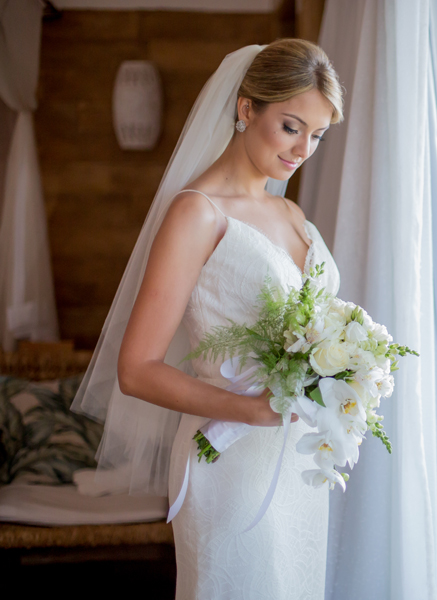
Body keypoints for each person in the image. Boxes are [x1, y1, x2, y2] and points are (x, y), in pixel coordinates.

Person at [72, 40, 343, 599]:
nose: (303, 150)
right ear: (247, 109)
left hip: (296, 463)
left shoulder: (290, 212)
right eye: (292, 127)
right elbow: (137, 368)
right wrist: (250, 409)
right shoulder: (197, 213)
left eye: (316, 135)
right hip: (228, 461)